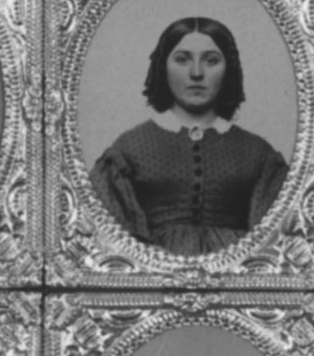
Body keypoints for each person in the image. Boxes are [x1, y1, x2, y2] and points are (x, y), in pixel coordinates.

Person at [88, 14, 289, 256]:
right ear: (163, 66)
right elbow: (109, 244)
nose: (196, 73)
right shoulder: (129, 149)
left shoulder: (259, 154)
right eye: (182, 60)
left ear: (229, 69)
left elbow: (277, 246)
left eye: (211, 61)